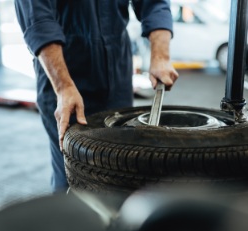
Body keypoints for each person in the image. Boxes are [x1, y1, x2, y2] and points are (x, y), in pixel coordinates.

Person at [14, 0, 179, 193]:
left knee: (121, 169)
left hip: (117, 76)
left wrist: (160, 55)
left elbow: (154, 3)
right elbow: (38, 17)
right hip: (65, 78)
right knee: (72, 175)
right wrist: (63, 86)